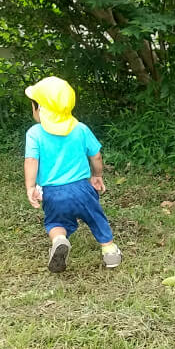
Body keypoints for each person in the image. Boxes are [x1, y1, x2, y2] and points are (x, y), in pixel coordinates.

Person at [23, 77, 122, 272]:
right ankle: (110, 252)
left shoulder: (34, 133)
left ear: (40, 109)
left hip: (52, 192)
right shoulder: (81, 129)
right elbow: (96, 155)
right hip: (82, 189)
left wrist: (30, 187)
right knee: (96, 217)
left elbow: (31, 161)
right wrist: (97, 175)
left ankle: (59, 240)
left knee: (56, 221)